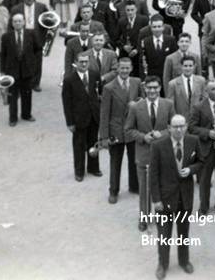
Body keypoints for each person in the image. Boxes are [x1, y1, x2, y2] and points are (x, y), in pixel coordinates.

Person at [149, 114, 203, 280]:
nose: (179, 129)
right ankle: (162, 264)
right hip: (165, 198)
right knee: (164, 235)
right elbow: (153, 175)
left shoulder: (193, 141)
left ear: (186, 126)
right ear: (169, 128)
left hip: (184, 196)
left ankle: (184, 260)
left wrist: (191, 170)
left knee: (183, 233)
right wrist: (156, 200)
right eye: (175, 126)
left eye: (182, 126)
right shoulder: (158, 145)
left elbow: (201, 162)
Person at [124, 76, 175, 231]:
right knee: (144, 189)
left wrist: (163, 134)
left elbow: (175, 126)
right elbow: (128, 129)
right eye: (149, 88)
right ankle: (144, 217)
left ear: (160, 88)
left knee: (163, 187)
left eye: (155, 87)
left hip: (163, 154)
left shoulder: (168, 104)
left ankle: (161, 215)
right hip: (144, 154)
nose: (152, 91)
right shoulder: (135, 107)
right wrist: (143, 137)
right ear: (145, 89)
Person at [188, 79, 215, 215]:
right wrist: (208, 133)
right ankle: (204, 207)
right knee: (205, 179)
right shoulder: (199, 107)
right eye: (213, 89)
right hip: (206, 148)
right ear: (206, 91)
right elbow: (192, 127)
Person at [99, 58, 141, 204]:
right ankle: (113, 191)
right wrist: (103, 137)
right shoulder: (109, 87)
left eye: (127, 68)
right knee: (115, 162)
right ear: (117, 69)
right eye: (122, 68)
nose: (124, 71)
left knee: (134, 160)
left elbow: (142, 100)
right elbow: (104, 114)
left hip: (132, 130)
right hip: (115, 132)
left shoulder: (137, 82)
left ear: (131, 68)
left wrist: (136, 104)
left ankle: (134, 186)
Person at [62, 52, 102, 181]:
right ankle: (79, 171)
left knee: (93, 142)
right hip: (79, 119)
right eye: (81, 62)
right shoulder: (69, 79)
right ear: (76, 63)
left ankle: (93, 168)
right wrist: (70, 122)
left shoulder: (95, 74)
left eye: (86, 61)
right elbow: (67, 103)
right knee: (79, 145)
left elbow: (99, 94)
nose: (84, 64)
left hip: (93, 116)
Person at [0, 13, 40, 126]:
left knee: (27, 94)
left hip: (27, 70)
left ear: (24, 22)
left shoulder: (31, 34)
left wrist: (33, 64)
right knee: (12, 95)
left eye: (19, 21)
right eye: (15, 21)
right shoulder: (6, 36)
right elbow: (3, 55)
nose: (17, 23)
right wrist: (2, 72)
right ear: (12, 23)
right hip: (12, 71)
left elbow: (37, 49)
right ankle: (13, 118)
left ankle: (26, 114)